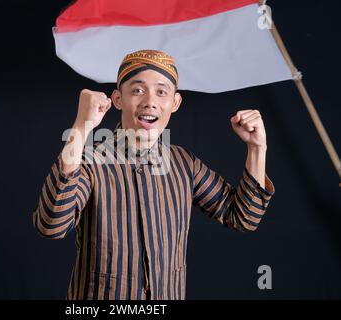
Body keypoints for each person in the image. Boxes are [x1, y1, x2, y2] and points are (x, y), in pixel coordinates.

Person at [32, 49, 275, 300]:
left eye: (162, 91)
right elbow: (51, 226)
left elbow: (244, 217)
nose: (150, 101)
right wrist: (81, 127)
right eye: (137, 90)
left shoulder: (184, 164)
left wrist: (257, 148)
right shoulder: (89, 163)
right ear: (117, 99)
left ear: (175, 103)